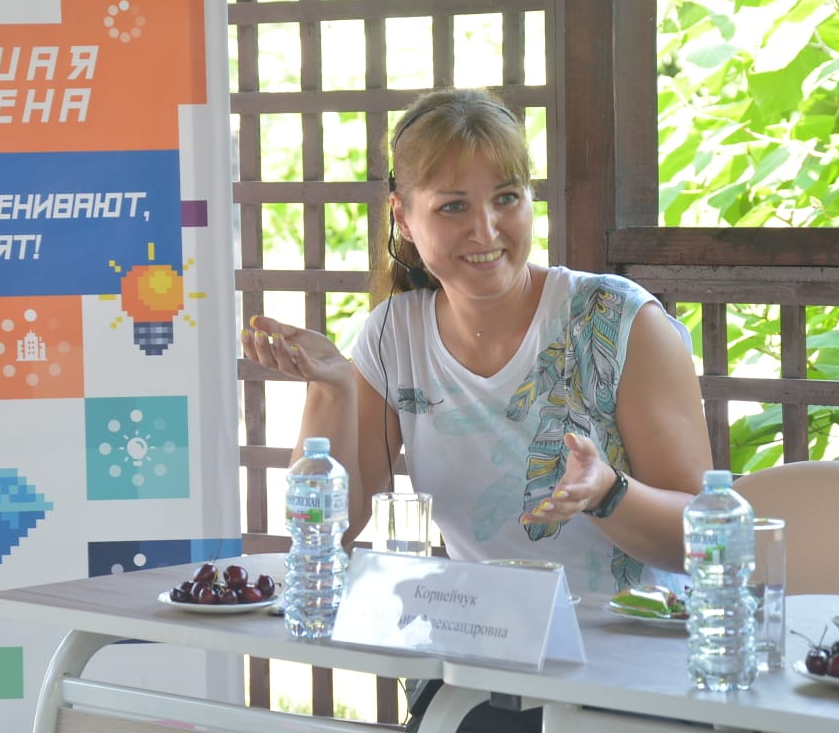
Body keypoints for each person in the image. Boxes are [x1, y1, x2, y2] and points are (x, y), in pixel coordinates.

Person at [240, 87, 713, 731]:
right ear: (404, 218)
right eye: (453, 206)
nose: (486, 230)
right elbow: (327, 535)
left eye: (506, 199)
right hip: (486, 662)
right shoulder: (393, 334)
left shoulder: (616, 318)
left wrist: (608, 492)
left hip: (636, 674)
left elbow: (703, 540)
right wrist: (331, 389)